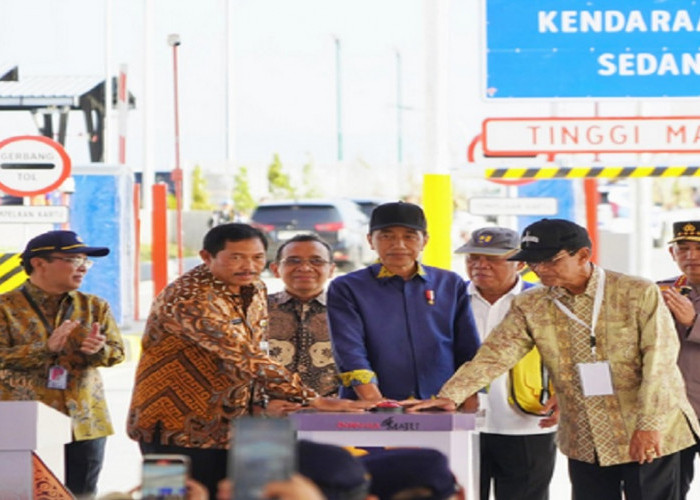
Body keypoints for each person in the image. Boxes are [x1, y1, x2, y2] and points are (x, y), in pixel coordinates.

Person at [409, 218, 700, 500]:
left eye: (550, 261)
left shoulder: (637, 292)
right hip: (586, 435)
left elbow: (659, 362)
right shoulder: (532, 303)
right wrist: (451, 394)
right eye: (534, 262)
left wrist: (649, 425)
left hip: (650, 430)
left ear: (583, 255)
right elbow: (496, 354)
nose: (539, 270)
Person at [127, 223, 372, 498]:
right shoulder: (189, 297)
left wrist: (263, 403)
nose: (249, 266)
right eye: (236, 257)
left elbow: (258, 350)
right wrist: (311, 398)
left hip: (235, 429)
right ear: (207, 257)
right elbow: (244, 354)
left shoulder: (254, 287)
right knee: (172, 496)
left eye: (257, 257)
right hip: (176, 429)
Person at [0, 230, 125, 498]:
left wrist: (98, 350)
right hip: (22, 424)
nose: (82, 267)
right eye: (73, 259)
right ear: (39, 263)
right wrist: (44, 350)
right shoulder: (5, 307)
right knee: (24, 493)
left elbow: (117, 353)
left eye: (85, 261)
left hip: (85, 422)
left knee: (82, 494)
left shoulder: (94, 306)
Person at [327, 201, 481, 402]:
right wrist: (377, 402)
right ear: (370, 241)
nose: (398, 245)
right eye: (386, 236)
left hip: (440, 402)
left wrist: (466, 399)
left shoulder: (450, 283)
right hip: (371, 405)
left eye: (409, 236)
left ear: (424, 240)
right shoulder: (347, 287)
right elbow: (349, 349)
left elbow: (467, 347)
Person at [455, 226, 557, 500]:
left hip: (525, 423)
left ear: (521, 263)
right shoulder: (452, 301)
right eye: (473, 258)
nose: (480, 265)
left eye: (493, 258)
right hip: (463, 425)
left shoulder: (544, 302)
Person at [658, 220, 700, 498]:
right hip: (671, 412)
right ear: (672, 254)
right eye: (682, 248)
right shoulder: (659, 291)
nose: (691, 256)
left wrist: (694, 321)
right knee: (664, 489)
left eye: (698, 248)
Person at [268, 233, 339, 396]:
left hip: (333, 411)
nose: (305, 268)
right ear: (275, 269)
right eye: (293, 261)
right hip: (270, 413)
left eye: (316, 261)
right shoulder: (255, 310)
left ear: (331, 270)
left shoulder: (348, 312)